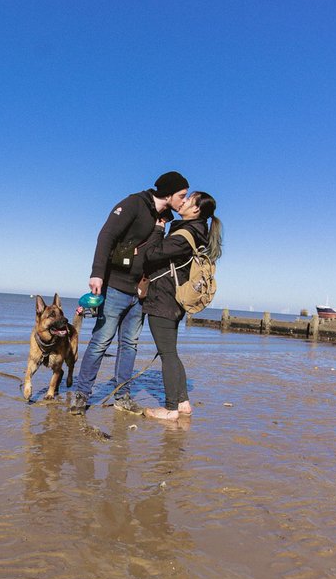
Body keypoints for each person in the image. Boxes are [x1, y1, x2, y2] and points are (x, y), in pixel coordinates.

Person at [68, 171, 190, 415]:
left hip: (140, 293)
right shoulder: (134, 203)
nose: (184, 200)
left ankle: (122, 397)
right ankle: (81, 395)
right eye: (182, 195)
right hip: (115, 286)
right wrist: (97, 273)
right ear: (168, 194)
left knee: (129, 346)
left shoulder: (164, 217)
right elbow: (106, 235)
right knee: (100, 342)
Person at [133, 191, 223, 421]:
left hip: (164, 299)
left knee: (168, 354)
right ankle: (183, 403)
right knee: (171, 352)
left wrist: (158, 229)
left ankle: (170, 409)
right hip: (174, 300)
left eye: (189, 199)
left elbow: (151, 254)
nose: (183, 202)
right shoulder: (196, 231)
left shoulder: (185, 234)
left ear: (196, 209)